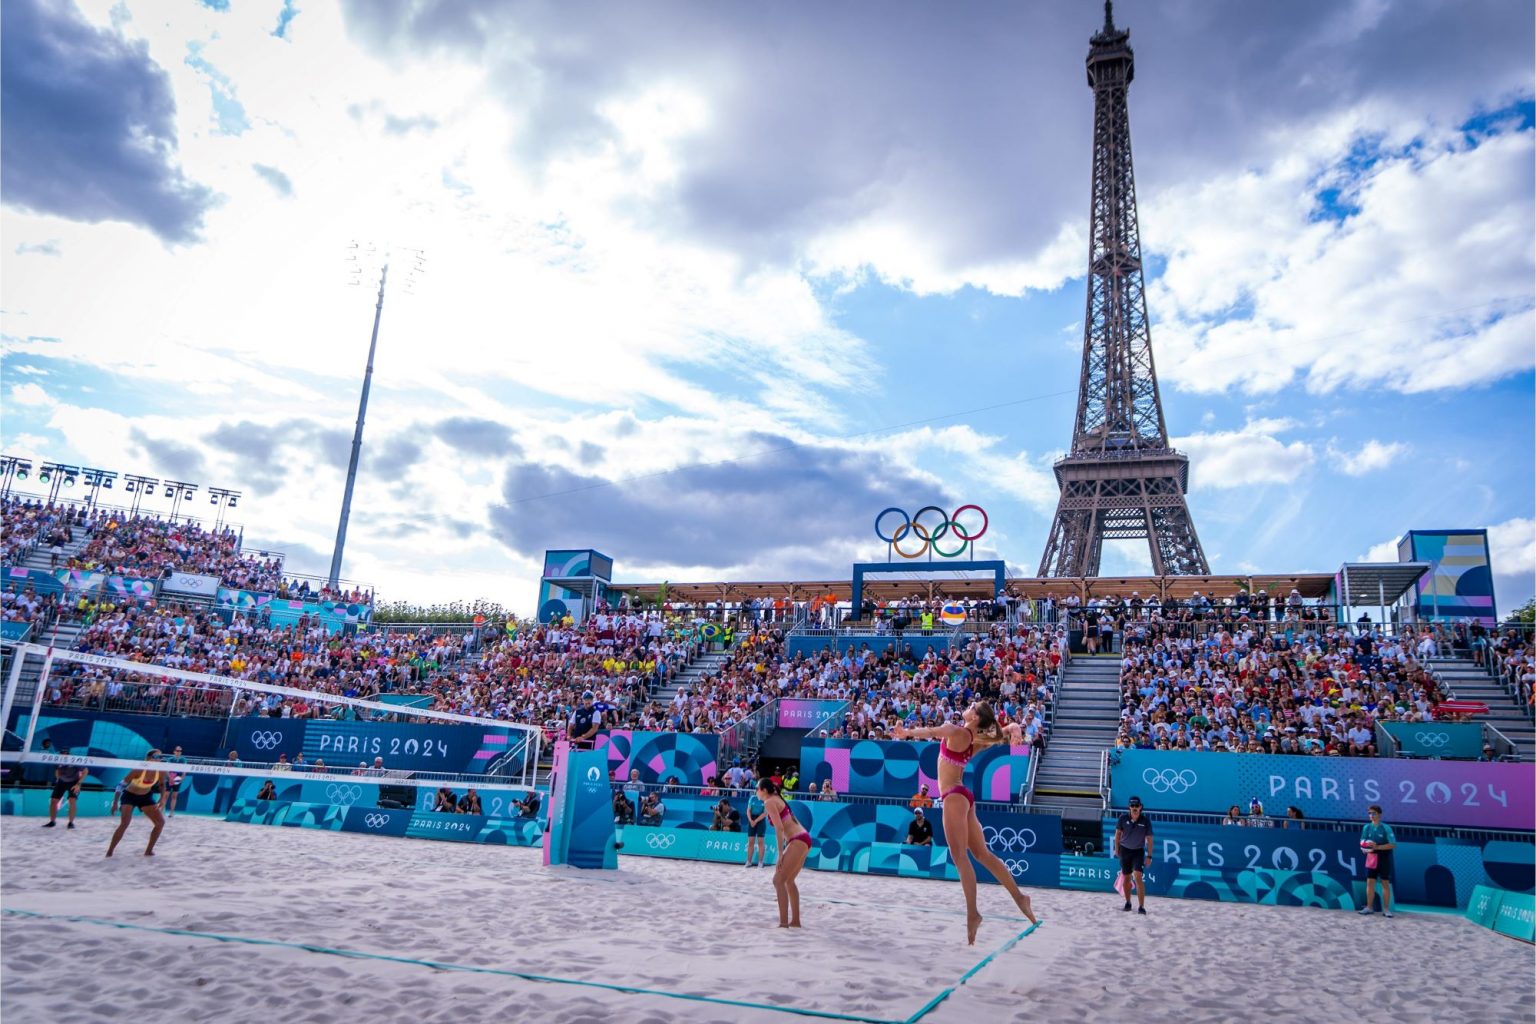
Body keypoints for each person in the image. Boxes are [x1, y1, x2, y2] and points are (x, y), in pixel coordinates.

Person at [894, 702, 1037, 944]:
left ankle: (973, 913)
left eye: (972, 706)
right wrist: (1013, 727)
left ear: (976, 716)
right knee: (982, 854)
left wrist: (906, 733)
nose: (968, 707)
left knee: (961, 857)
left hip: (953, 796)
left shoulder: (957, 731)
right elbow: (1000, 734)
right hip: (964, 796)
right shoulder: (975, 739)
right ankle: (1019, 898)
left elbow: (931, 732)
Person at [757, 777, 810, 928]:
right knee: (788, 881)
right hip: (803, 838)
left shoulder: (769, 802)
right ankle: (795, 921)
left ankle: (783, 923)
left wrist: (780, 854)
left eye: (757, 788)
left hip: (797, 839)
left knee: (778, 880)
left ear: (764, 790)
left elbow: (779, 828)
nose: (756, 791)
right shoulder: (776, 798)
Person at [106, 749, 169, 857]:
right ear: (148, 758)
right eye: (156, 756)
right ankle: (110, 851)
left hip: (145, 797)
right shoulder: (139, 769)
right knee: (125, 823)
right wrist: (115, 802)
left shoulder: (161, 770)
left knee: (160, 823)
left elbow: (162, 785)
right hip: (130, 796)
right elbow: (121, 785)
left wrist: (162, 798)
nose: (159, 759)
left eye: (160, 757)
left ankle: (148, 851)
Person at [1113, 796, 1153, 915]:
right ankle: (1128, 903)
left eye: (1137, 806)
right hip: (1125, 850)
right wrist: (1116, 848)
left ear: (1140, 807)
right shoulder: (1123, 818)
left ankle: (1141, 906)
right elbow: (1117, 834)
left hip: (1138, 851)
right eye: (1132, 806)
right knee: (1126, 877)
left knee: (1138, 876)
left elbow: (1150, 839)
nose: (1134, 808)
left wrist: (1149, 856)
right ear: (1129, 807)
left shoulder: (1145, 821)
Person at [1357, 805, 1397, 918]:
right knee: (1370, 882)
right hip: (1371, 856)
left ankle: (1386, 909)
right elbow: (1362, 841)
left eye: (1373, 813)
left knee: (1384, 883)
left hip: (1383, 856)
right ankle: (1369, 907)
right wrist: (1363, 847)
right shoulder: (1366, 827)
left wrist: (1377, 847)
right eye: (1369, 813)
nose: (1371, 816)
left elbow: (1393, 844)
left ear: (1379, 814)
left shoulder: (1385, 828)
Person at [44, 754, 86, 830]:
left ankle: (71, 823)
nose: (63, 755)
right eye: (62, 754)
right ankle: (52, 822)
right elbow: (57, 770)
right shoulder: (58, 760)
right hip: (61, 781)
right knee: (53, 800)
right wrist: (58, 778)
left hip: (74, 782)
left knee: (72, 800)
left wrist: (78, 784)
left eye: (65, 754)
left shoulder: (75, 760)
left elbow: (85, 771)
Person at [744, 782, 768, 868]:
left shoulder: (765, 799)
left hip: (760, 820)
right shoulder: (752, 798)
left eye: (759, 789)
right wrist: (751, 820)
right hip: (752, 818)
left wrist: (756, 821)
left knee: (760, 841)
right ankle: (749, 861)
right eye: (757, 789)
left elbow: (765, 813)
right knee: (751, 841)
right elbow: (748, 810)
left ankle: (761, 862)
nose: (757, 791)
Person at [163, 745, 188, 817]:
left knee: (174, 796)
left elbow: (185, 770)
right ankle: (162, 811)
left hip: (177, 778)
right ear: (174, 751)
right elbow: (166, 769)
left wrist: (182, 778)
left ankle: (171, 812)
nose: (179, 752)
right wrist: (169, 778)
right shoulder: (170, 759)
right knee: (166, 796)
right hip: (170, 777)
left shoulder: (183, 760)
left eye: (180, 751)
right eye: (177, 750)